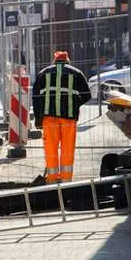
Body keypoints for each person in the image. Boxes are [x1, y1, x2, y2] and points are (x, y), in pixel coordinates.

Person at [32, 51, 92, 182]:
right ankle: (66, 179)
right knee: (67, 149)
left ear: (54, 61)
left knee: (51, 148)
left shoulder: (43, 74)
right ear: (67, 61)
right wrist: (75, 103)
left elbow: (36, 98)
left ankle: (52, 178)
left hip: (49, 118)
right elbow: (88, 95)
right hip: (69, 118)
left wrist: (38, 119)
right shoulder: (76, 73)